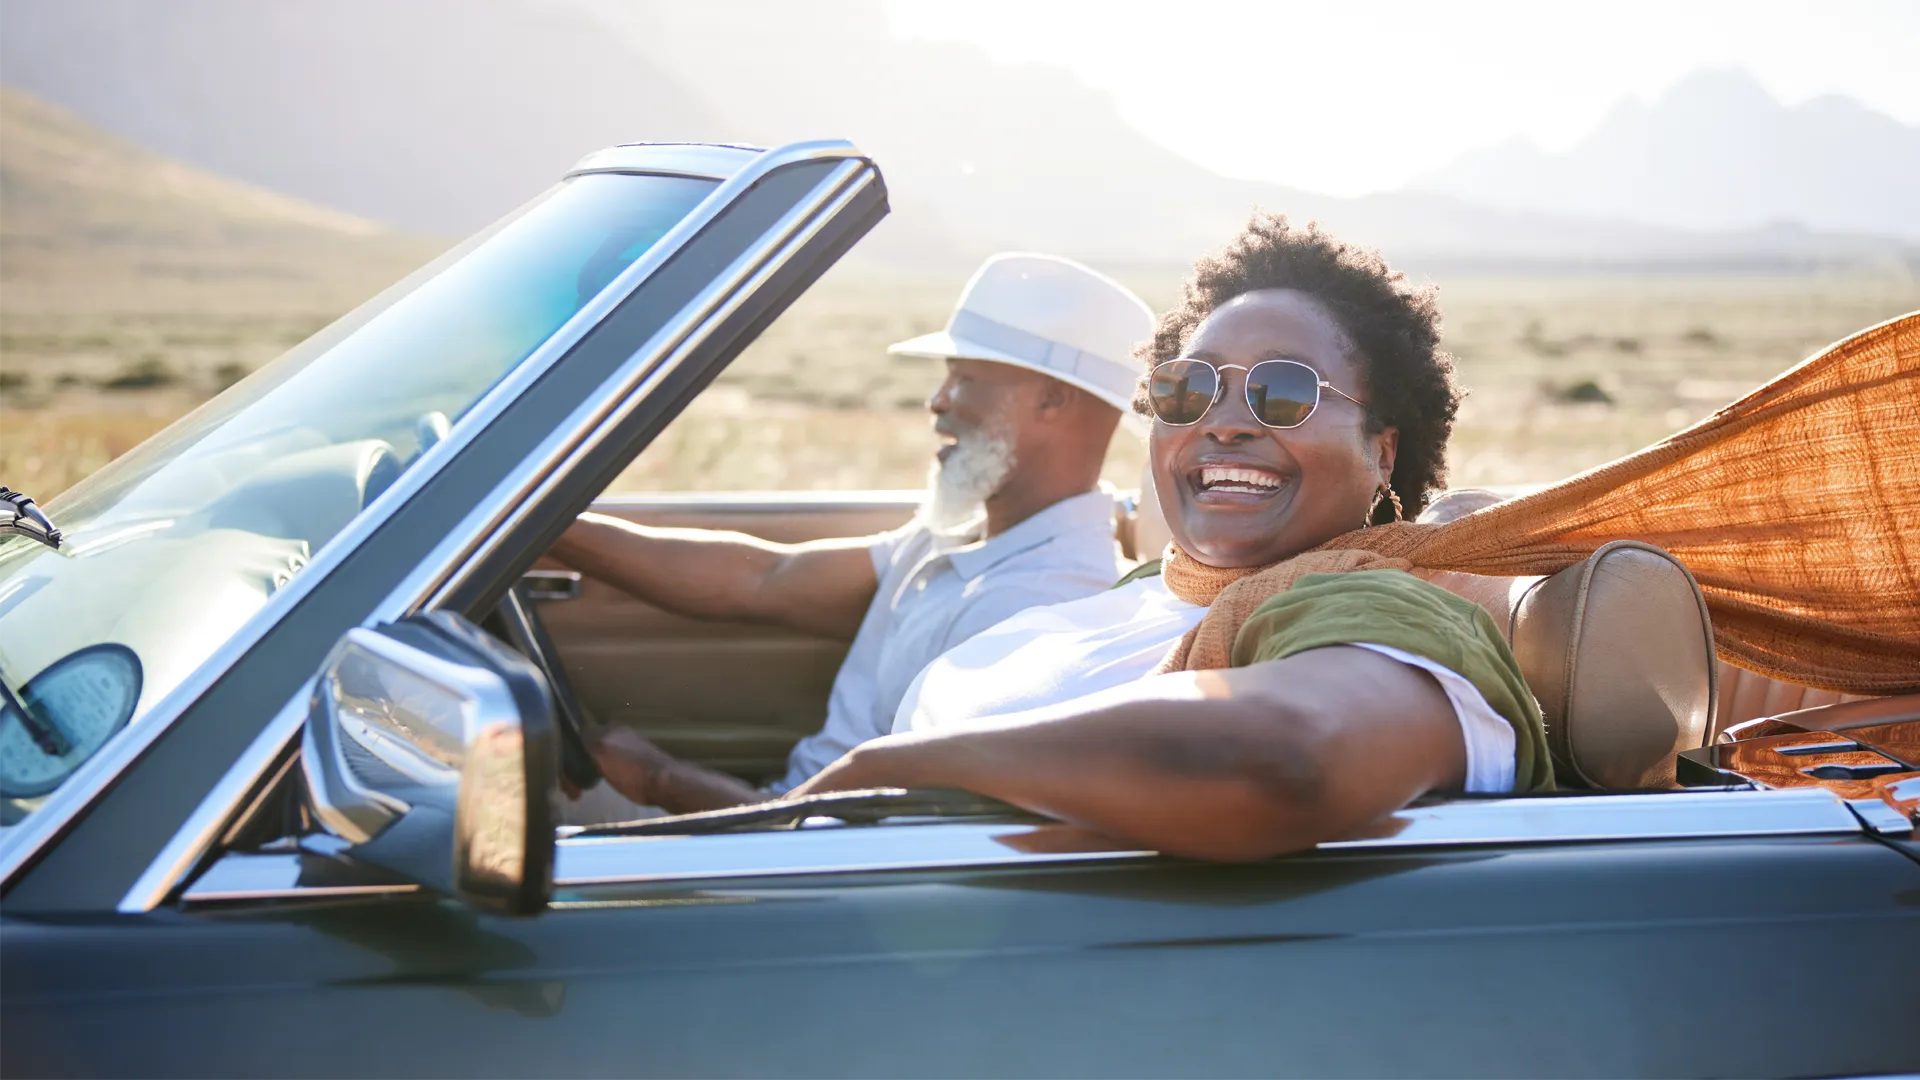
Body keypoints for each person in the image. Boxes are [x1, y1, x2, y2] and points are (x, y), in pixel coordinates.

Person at [787, 215, 1555, 860]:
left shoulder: (1379, 613)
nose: (1222, 420)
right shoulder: (1147, 593)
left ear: (1381, 450)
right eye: (1188, 388)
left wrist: (890, 768)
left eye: (1280, 392)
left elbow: (1283, 762)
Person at [552, 252, 1155, 817]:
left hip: (790, 856)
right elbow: (765, 578)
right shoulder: (965, 530)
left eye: (966, 378)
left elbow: (882, 826)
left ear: (1052, 400)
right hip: (774, 819)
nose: (936, 401)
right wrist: (558, 532)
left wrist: (661, 781)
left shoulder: (1040, 607)